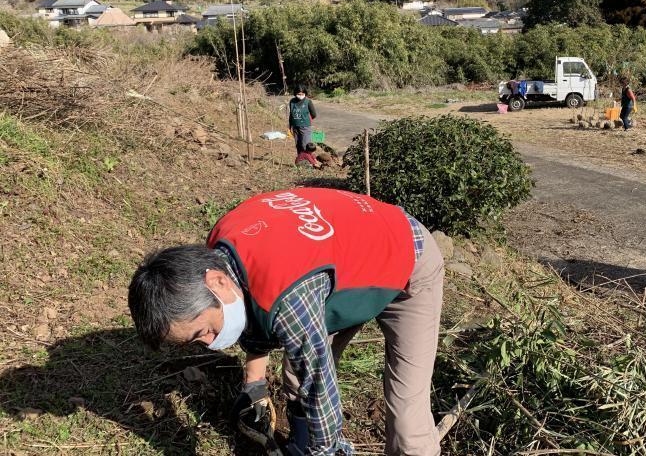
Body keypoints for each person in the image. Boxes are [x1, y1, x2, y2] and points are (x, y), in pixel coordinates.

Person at [128, 188, 444, 456]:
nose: (210, 343)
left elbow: (319, 385)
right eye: (197, 341)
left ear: (217, 283)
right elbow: (253, 307)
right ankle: (301, 446)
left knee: (407, 414)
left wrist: (328, 450)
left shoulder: (289, 295)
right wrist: (254, 383)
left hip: (405, 258)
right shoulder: (218, 254)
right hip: (343, 264)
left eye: (204, 331)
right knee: (295, 373)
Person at [289, 85, 317, 155]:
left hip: (305, 127)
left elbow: (314, 114)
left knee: (306, 145)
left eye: (302, 94)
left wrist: (305, 119)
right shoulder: (292, 101)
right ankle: (300, 160)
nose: (301, 95)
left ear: (305, 94)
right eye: (299, 94)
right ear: (295, 93)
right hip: (295, 127)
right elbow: (291, 113)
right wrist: (290, 125)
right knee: (298, 145)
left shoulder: (308, 102)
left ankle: (307, 161)